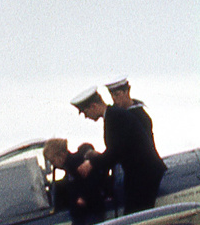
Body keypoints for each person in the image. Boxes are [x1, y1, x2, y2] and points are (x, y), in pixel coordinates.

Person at [72, 82, 167, 216]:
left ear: (93, 106)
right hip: (140, 176)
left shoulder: (115, 117)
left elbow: (116, 151)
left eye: (85, 112)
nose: (86, 116)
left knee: (136, 220)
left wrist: (92, 163)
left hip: (144, 177)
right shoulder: (114, 116)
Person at [43, 138, 107, 225]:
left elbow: (92, 180)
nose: (54, 164)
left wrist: (83, 197)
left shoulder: (76, 164)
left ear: (61, 155)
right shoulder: (70, 167)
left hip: (89, 212)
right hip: (82, 213)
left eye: (53, 161)